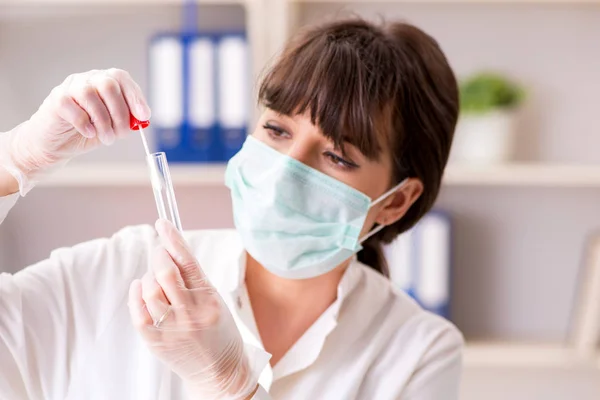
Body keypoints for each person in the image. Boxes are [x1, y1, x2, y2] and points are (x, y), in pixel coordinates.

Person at [0, 18, 463, 400]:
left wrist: (229, 384)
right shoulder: (120, 271)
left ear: (396, 200)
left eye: (337, 157)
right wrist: (17, 159)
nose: (283, 173)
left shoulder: (417, 353)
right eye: (277, 131)